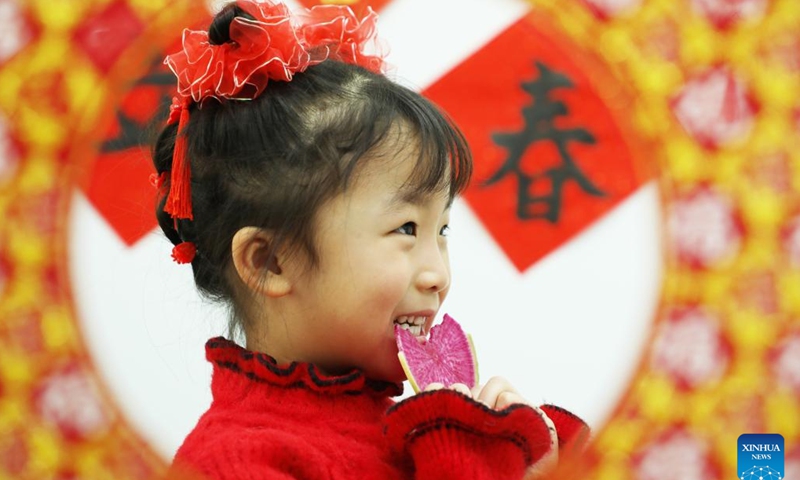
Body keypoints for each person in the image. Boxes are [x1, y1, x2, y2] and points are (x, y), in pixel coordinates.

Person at [150, 1, 589, 479]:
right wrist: (468, 457)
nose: (438, 276)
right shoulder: (231, 463)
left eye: (441, 230)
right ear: (271, 262)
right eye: (405, 229)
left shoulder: (406, 433)